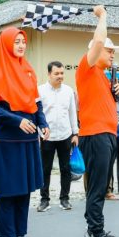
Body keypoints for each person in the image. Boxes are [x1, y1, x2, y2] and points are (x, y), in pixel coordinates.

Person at [0, 27, 47, 237]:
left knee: (25, 187)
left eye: (23, 41)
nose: (20, 45)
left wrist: (43, 123)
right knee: (9, 189)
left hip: (29, 137)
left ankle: (22, 234)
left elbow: (37, 103)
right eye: (16, 42)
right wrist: (17, 121)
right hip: (7, 137)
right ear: (6, 44)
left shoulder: (28, 71)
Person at [75, 5, 119, 237]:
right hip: (95, 136)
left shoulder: (104, 76)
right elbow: (97, 41)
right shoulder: (87, 67)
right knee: (97, 188)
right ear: (95, 51)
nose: (113, 54)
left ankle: (91, 228)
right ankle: (96, 233)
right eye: (109, 50)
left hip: (107, 135)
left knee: (100, 185)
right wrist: (103, 17)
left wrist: (117, 93)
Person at [38, 61, 78, 211]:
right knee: (45, 169)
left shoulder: (68, 91)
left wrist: (75, 133)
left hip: (65, 135)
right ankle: (44, 200)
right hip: (47, 137)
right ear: (49, 74)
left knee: (65, 169)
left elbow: (72, 113)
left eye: (62, 73)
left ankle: (64, 199)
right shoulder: (40, 91)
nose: (60, 76)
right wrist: (38, 133)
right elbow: (37, 114)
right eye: (56, 73)